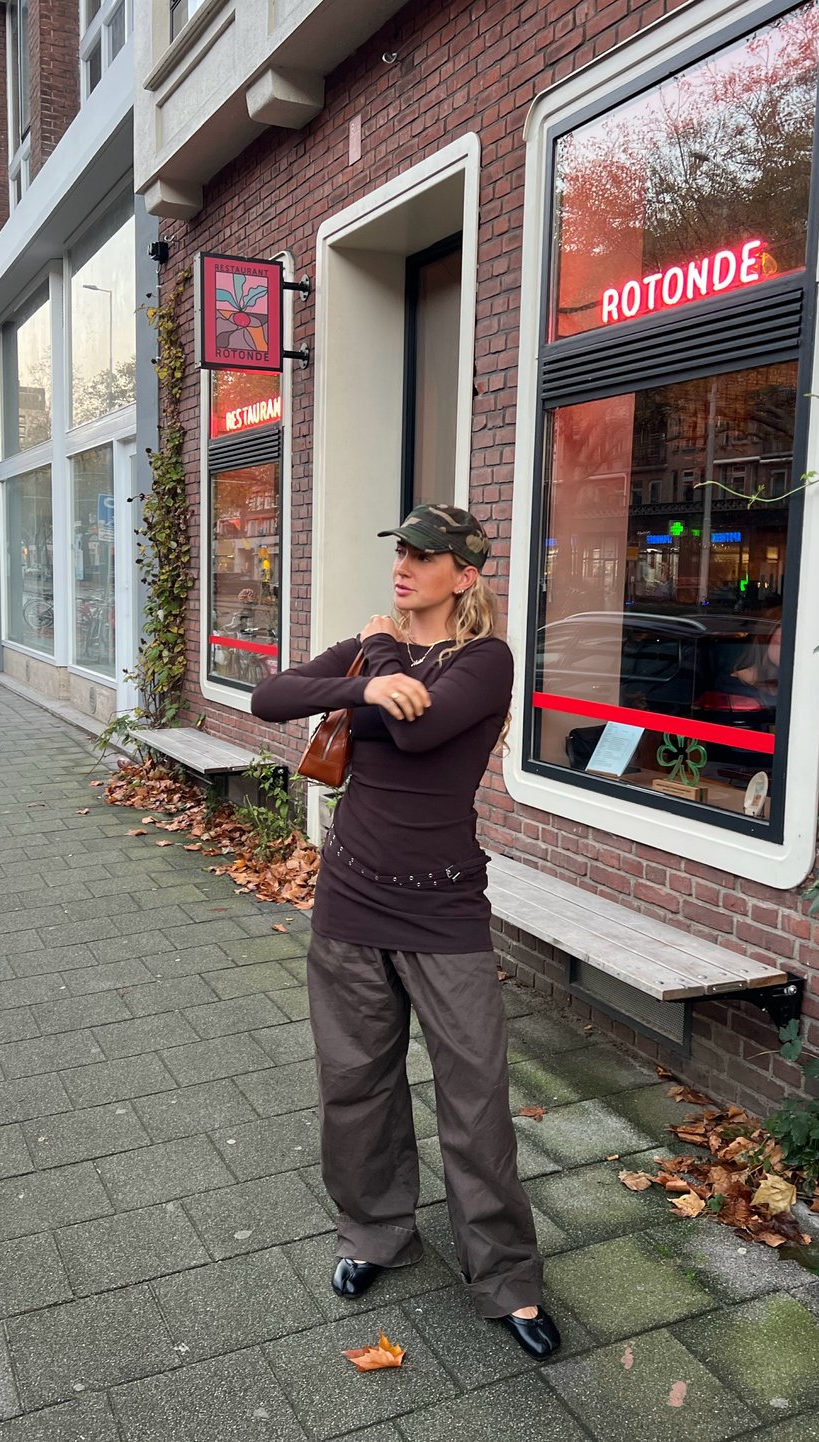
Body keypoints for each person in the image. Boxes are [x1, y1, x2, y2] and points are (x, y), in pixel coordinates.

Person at [250, 503, 560, 1359]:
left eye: (426, 556)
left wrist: (379, 656)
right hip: (350, 899)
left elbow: (420, 732)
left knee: (475, 1098)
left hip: (443, 908)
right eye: (402, 551)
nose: (406, 565)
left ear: (464, 575)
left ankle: (505, 1280)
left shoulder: (486, 660)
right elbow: (271, 695)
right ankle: (373, 1233)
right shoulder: (366, 652)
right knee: (355, 1085)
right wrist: (361, 681)